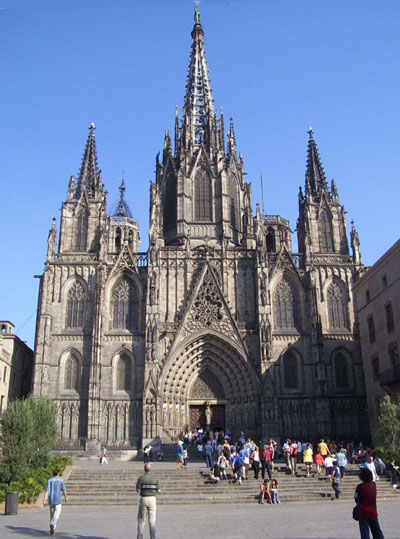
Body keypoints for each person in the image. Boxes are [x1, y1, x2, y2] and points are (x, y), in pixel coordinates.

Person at [354, 468, 385, 539]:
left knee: (365, 533)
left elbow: (356, 499)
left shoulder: (360, 487)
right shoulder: (373, 485)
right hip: (373, 511)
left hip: (363, 512)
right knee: (377, 531)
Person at [136, 463, 161, 539]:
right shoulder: (155, 479)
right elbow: (159, 491)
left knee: (141, 520)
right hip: (152, 499)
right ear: (151, 469)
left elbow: (138, 490)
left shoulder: (141, 478)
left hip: (144, 499)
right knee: (152, 521)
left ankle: (140, 537)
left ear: (144, 469)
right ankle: (153, 537)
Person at [43, 469, 68, 536]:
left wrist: (44, 500)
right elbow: (64, 490)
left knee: (51, 515)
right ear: (58, 473)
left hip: (50, 500)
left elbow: (47, 491)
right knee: (57, 514)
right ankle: (53, 524)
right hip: (58, 500)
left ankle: (53, 528)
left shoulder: (49, 481)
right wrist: (65, 497)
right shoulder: (61, 481)